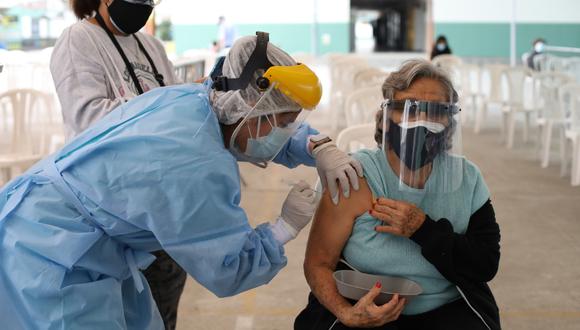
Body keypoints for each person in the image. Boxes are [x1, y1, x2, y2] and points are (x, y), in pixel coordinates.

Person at [0, 33, 363, 329]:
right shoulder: (196, 165)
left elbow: (247, 132)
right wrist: (285, 227)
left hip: (71, 233)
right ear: (250, 107)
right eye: (285, 122)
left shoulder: (195, 101)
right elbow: (229, 269)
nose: (286, 133)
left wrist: (317, 145)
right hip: (52, 256)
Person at [295, 59, 501, 330]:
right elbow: (318, 263)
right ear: (386, 117)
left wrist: (424, 230)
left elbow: (484, 264)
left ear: (449, 122)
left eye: (435, 111)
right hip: (365, 302)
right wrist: (347, 313)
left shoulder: (467, 179)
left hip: (446, 308)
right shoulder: (354, 175)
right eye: (408, 109)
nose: (421, 122)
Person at [50, 1, 184, 328]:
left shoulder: (150, 45)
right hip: (111, 214)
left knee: (163, 312)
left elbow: (181, 110)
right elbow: (89, 119)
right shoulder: (78, 39)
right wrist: (164, 110)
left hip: (162, 211)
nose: (144, 5)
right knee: (120, 315)